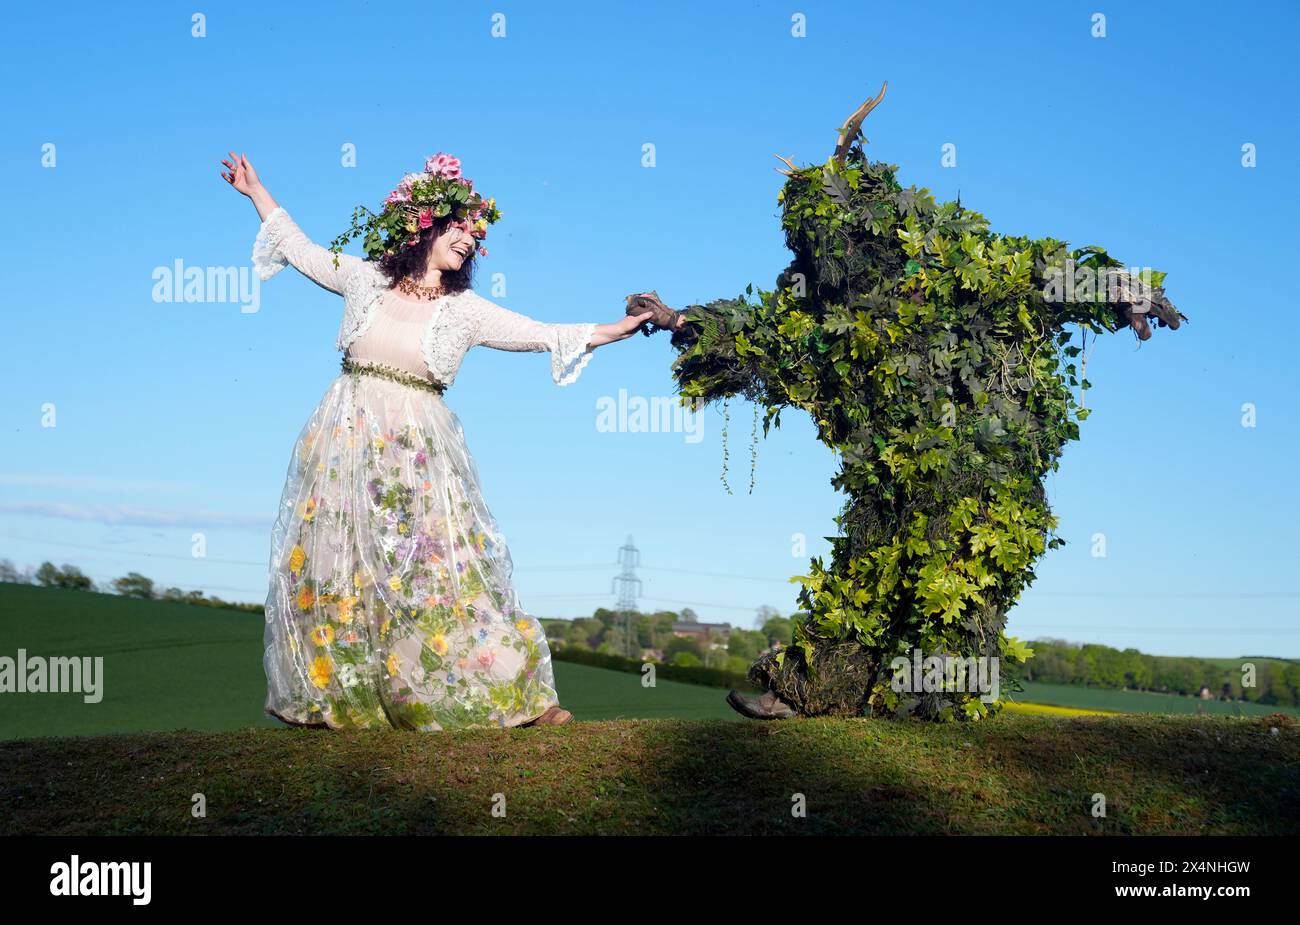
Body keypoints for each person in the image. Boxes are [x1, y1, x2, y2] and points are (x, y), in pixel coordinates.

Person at [221, 151, 653, 731]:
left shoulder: (465, 311)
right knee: (334, 561)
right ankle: (335, 698)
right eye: (461, 229)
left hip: (419, 453)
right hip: (347, 439)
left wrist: (616, 329)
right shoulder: (364, 278)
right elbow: (300, 248)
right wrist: (257, 192)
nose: (470, 242)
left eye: (476, 235)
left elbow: (540, 333)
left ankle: (513, 698)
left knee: (440, 569)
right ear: (425, 223)